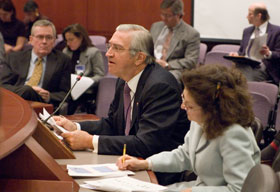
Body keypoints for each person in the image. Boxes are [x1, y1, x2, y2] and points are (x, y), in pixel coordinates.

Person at [54, 24, 190, 185]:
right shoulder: (124, 79)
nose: (108, 54)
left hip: (157, 174)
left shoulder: (160, 86)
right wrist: (75, 127)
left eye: (117, 48)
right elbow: (113, 124)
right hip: (128, 163)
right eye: (109, 46)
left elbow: (146, 143)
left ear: (139, 58)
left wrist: (90, 141)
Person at [117, 64, 260, 192]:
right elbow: (184, 155)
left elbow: (239, 189)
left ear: (212, 109)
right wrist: (146, 163)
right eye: (183, 99)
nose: (182, 107)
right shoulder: (199, 121)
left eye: (189, 105)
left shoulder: (233, 134)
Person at [0, 20, 71, 108]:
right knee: (27, 90)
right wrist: (28, 90)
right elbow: (3, 86)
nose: (44, 41)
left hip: (42, 105)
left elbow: (66, 94)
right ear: (31, 40)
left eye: (49, 37)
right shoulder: (14, 58)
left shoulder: (62, 60)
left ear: (54, 41)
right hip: (16, 102)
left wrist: (49, 96)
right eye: (40, 37)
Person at [150, 0, 200, 83]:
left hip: (173, 69)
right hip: (152, 65)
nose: (164, 18)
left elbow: (191, 60)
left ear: (179, 15)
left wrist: (167, 65)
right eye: (162, 14)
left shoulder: (191, 34)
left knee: (164, 80)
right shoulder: (156, 26)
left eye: (168, 15)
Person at [229, 2, 280, 84]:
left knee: (239, 79)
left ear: (258, 16)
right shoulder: (247, 31)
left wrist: (268, 53)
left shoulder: (277, 31)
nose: (247, 16)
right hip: (244, 65)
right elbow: (241, 52)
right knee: (225, 76)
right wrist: (236, 54)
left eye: (250, 14)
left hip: (263, 68)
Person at [62, 23, 105, 114]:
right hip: (67, 89)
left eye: (71, 40)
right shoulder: (66, 51)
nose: (68, 43)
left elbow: (100, 75)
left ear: (81, 38)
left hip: (85, 91)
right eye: (66, 40)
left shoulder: (93, 52)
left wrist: (87, 81)